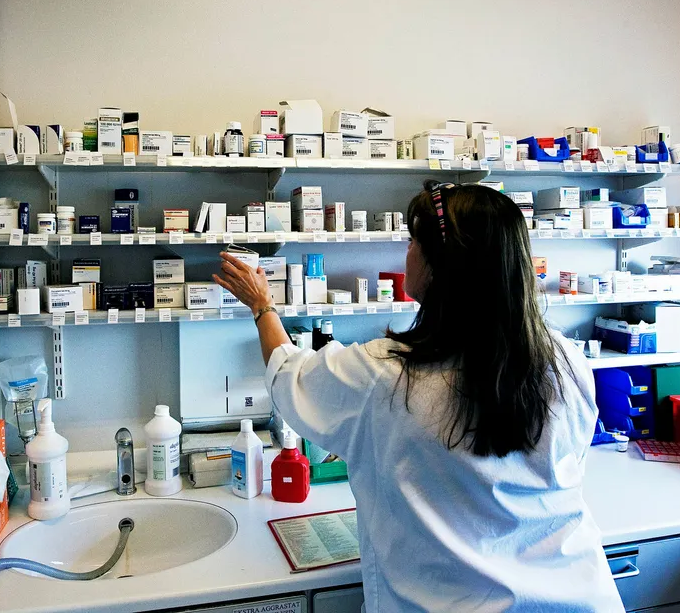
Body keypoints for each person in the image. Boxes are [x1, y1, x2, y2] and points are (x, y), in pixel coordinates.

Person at [214, 181, 623, 613]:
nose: (406, 252)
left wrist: (262, 306)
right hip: (579, 598)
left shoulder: (386, 376)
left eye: (412, 242)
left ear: (439, 266)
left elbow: (289, 375)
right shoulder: (567, 362)